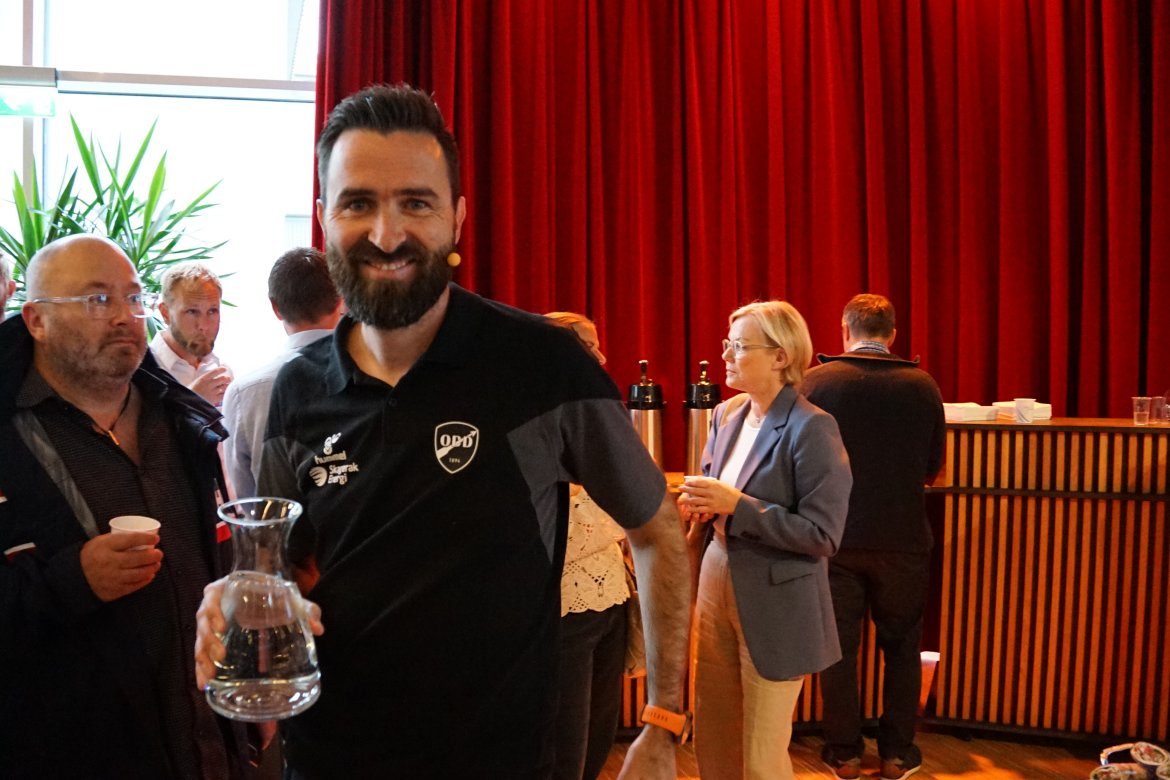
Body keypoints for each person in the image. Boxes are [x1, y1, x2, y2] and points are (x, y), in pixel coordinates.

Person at [194, 83, 691, 779]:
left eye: (416, 203)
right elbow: (286, 566)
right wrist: (240, 594)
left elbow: (657, 530)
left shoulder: (542, 365)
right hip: (331, 758)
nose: (386, 234)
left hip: (504, 761)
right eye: (358, 203)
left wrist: (664, 722)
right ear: (324, 217)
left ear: (457, 217)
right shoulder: (299, 391)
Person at [0, 234, 251, 778]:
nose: (123, 316)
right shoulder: (10, 437)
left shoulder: (182, 422)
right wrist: (69, 581)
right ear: (37, 319)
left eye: (133, 298)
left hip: (206, 745)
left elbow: (212, 569)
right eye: (97, 299)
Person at [678, 300, 852, 780]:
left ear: (780, 356)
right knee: (714, 735)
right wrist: (701, 503)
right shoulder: (726, 413)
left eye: (739, 346)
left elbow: (822, 534)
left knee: (760, 755)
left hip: (778, 598)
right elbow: (717, 490)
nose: (725, 355)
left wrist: (738, 506)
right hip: (717, 572)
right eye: (727, 343)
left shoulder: (812, 426)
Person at [801, 293, 945, 780]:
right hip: (903, 538)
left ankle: (843, 754)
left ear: (845, 330)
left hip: (834, 536)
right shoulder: (923, 386)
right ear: (893, 334)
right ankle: (896, 754)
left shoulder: (817, 382)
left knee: (837, 649)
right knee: (902, 647)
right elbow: (932, 465)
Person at [544, 311, 629, 780]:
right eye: (590, 346)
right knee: (566, 744)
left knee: (600, 733)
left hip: (612, 597)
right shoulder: (534, 415)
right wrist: (624, 520)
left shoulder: (596, 412)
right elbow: (554, 524)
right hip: (564, 608)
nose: (602, 357)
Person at [221, 247, 342, 498]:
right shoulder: (370, 375)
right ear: (340, 300)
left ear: (275, 307)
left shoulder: (244, 392)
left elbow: (246, 497)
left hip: (276, 520)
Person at [150, 261, 234, 406]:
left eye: (212, 311)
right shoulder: (141, 371)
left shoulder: (222, 371)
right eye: (192, 312)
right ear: (165, 313)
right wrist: (191, 402)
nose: (204, 326)